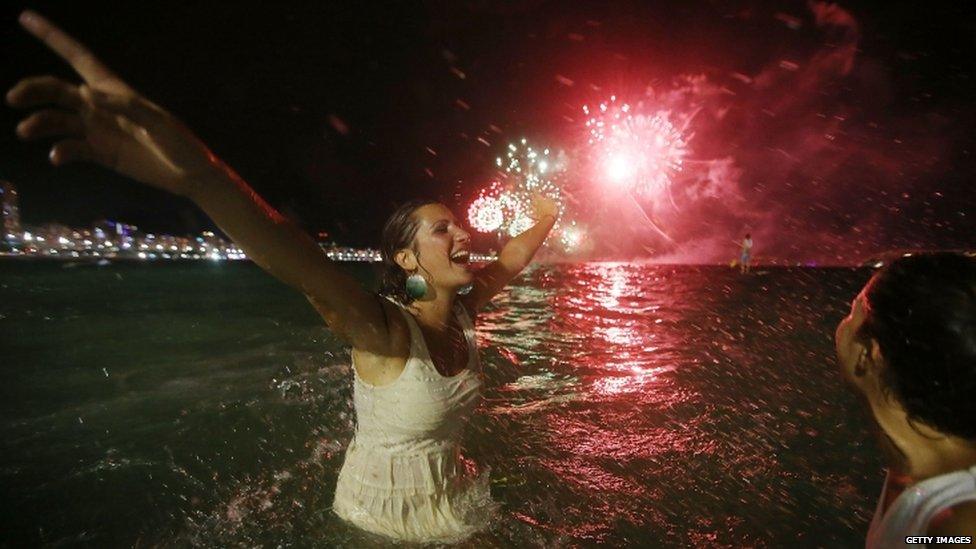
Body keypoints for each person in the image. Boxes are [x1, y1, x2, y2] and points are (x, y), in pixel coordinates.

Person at [7, 11, 558, 543]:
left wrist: (547, 217)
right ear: (407, 261)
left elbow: (511, 257)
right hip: (383, 520)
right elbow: (295, 258)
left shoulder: (465, 311)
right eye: (442, 230)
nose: (463, 236)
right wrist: (201, 179)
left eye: (457, 226)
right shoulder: (382, 332)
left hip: (450, 499)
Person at [835, 252, 976, 546]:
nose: (842, 324)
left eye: (852, 312)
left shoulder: (960, 526)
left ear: (869, 353)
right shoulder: (918, 465)